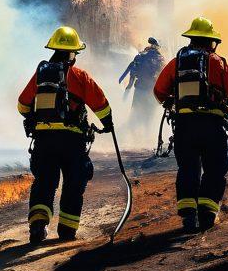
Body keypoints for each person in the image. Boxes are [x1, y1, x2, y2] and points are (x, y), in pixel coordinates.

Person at [154, 18, 228, 233]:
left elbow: (159, 91)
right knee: (215, 169)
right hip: (212, 126)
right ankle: (207, 214)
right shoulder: (218, 62)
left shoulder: (176, 63)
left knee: (187, 168)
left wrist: (171, 103)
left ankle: (188, 215)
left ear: (191, 39)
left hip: (184, 126)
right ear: (210, 42)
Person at [18, 26, 112, 245]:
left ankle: (38, 226)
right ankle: (67, 232)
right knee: (73, 183)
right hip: (72, 141)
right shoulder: (79, 76)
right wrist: (108, 124)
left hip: (43, 140)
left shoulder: (41, 76)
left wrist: (37, 116)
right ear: (72, 53)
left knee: (44, 182)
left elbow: (22, 105)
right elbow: (100, 103)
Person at [119, 37, 165, 131]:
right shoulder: (161, 59)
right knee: (149, 119)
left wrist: (127, 90)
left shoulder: (140, 56)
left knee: (135, 115)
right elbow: (163, 77)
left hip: (140, 90)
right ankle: (147, 138)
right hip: (153, 92)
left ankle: (133, 137)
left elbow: (132, 75)